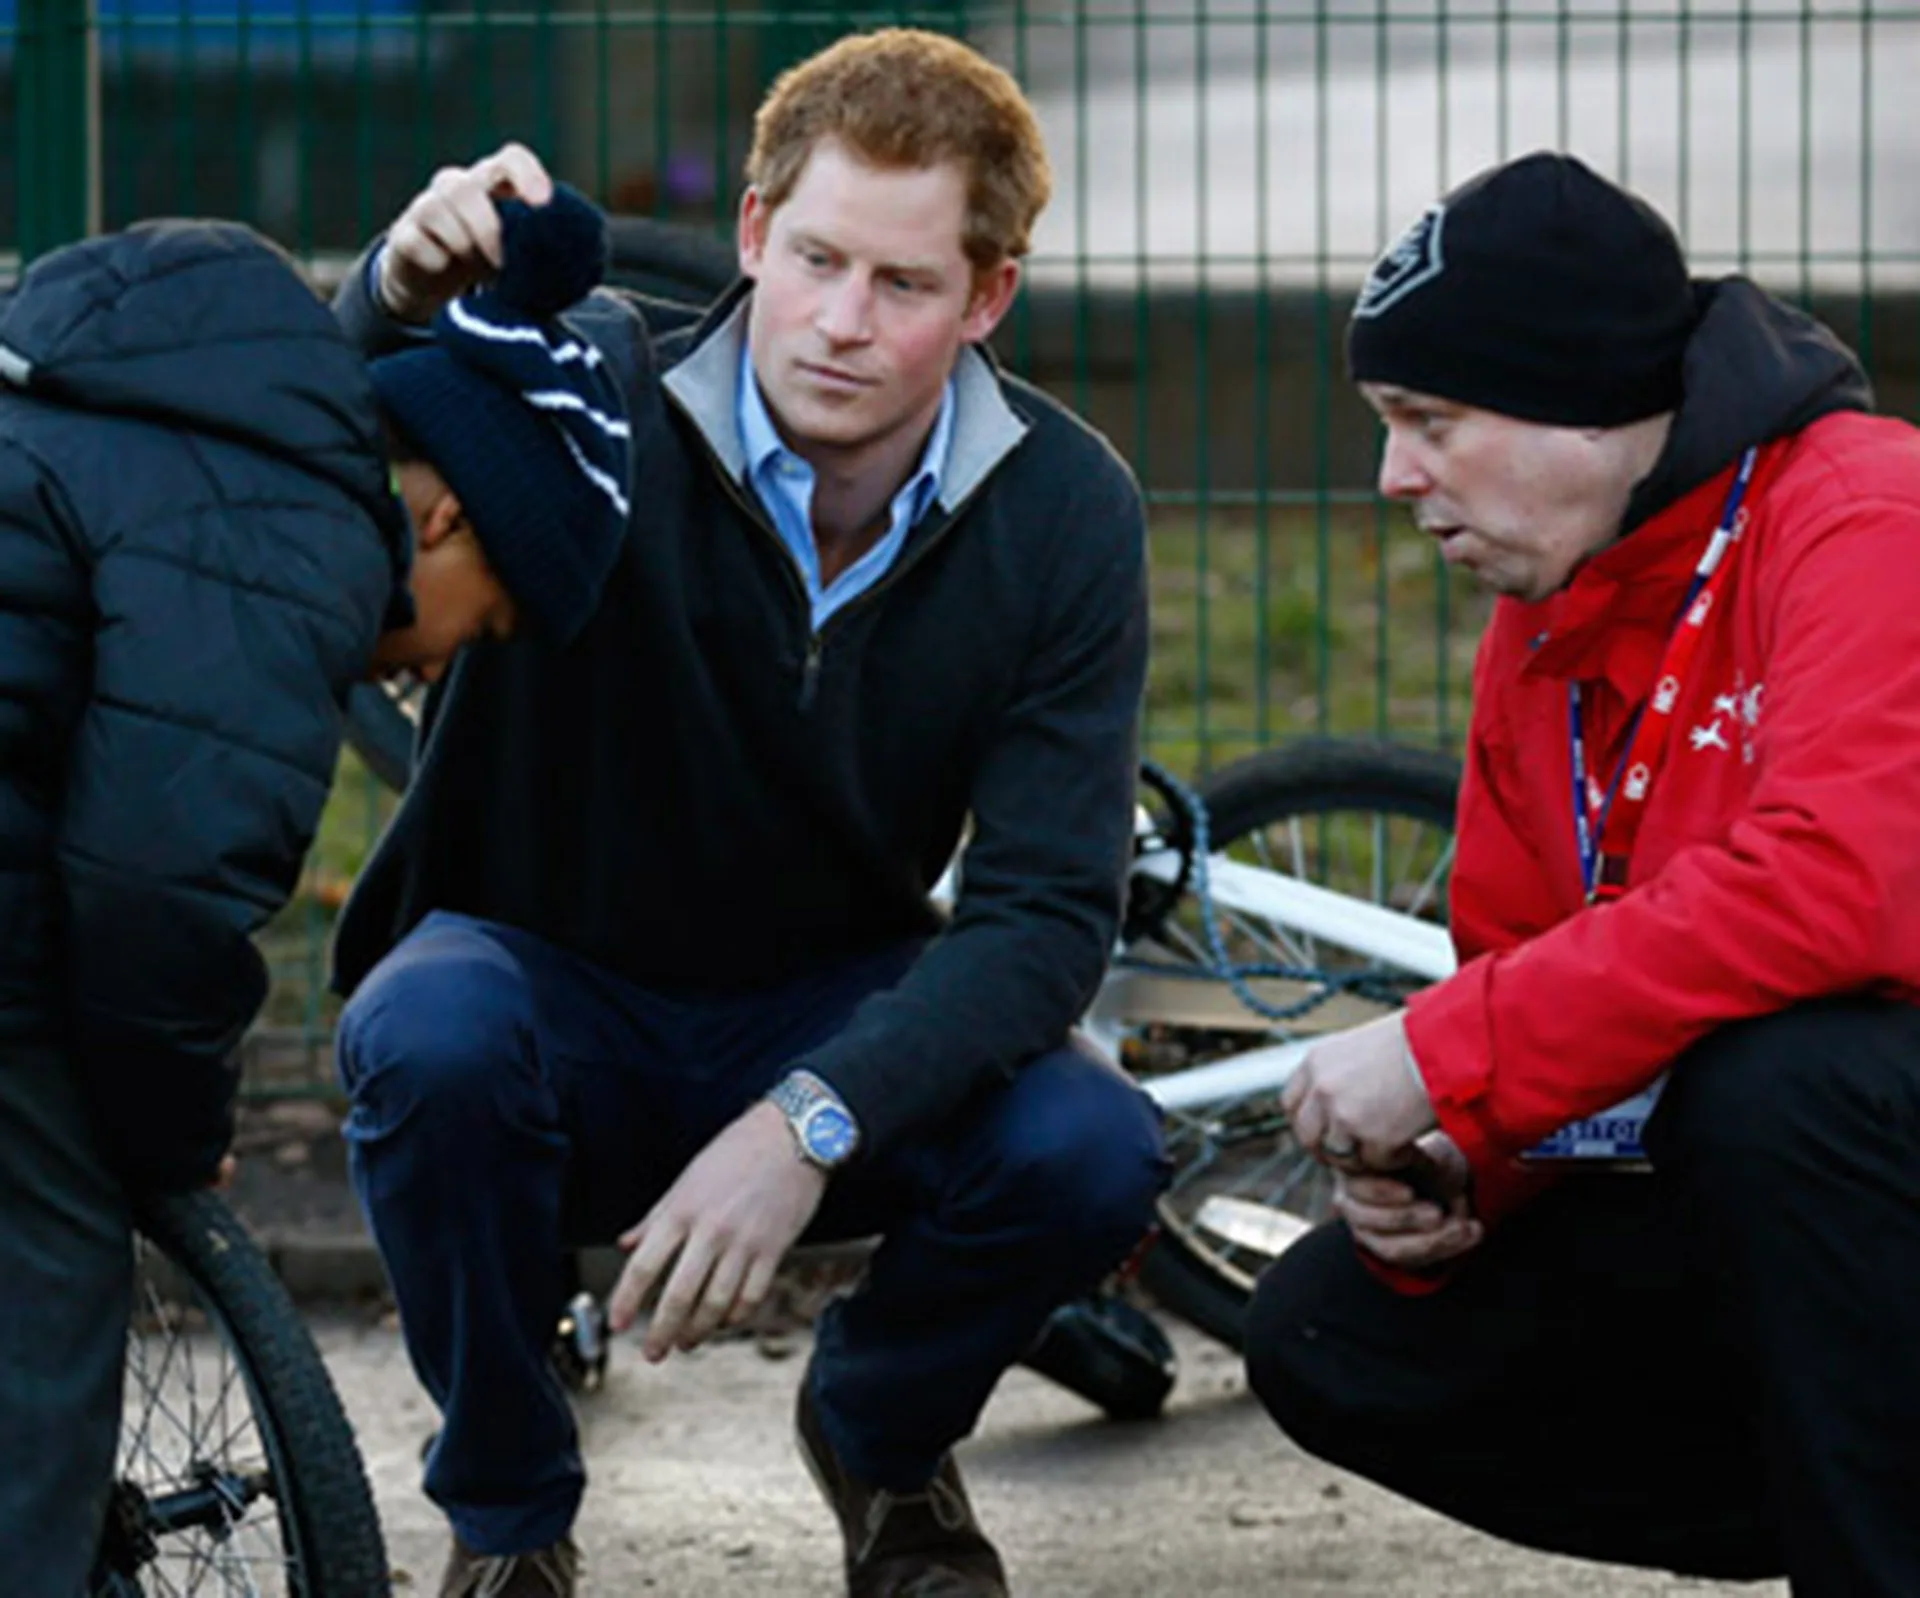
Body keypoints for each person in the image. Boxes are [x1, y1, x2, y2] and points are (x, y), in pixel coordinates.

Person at [328, 26, 1168, 1598]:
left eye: (903, 286)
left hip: (825, 1008)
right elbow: (327, 427)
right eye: (816, 259)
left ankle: (878, 1435)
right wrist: (390, 278)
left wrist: (810, 1118)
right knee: (423, 1030)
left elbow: (1049, 914)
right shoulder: (587, 395)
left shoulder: (1064, 507)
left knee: (1092, 1140)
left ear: (987, 298)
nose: (840, 324)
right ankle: (510, 1516)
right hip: (541, 983)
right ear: (751, 235)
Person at [1242, 150, 1920, 1596]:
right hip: (1770, 1193)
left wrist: (1450, 1046)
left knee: (1782, 1084)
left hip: (1844, 1135)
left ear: (1586, 401)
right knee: (1330, 1327)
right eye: (1384, 423)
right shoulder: (1552, 607)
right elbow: (1518, 955)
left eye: (1430, 420)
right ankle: (1839, 1491)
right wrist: (1462, 1169)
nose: (1393, 476)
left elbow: (1842, 881)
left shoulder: (1866, 512)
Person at [0, 189, 630, 1597]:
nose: (442, 664)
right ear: (450, 510)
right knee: (46, 1286)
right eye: (495, 622)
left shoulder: (151, 399)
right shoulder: (297, 536)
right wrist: (163, 1132)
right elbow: (162, 878)